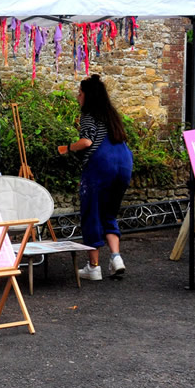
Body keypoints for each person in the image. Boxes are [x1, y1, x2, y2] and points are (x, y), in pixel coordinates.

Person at [58, 74, 133, 281]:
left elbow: (87, 141)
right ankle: (116, 258)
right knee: (109, 213)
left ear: (88, 96)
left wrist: (67, 148)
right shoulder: (112, 116)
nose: (77, 97)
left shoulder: (89, 115)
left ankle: (94, 267)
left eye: (80, 93)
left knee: (91, 212)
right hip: (124, 163)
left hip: (101, 165)